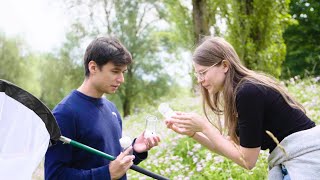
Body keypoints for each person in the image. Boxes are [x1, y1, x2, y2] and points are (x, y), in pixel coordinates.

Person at [166, 36, 320, 179]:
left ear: (225, 65)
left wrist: (205, 127)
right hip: (296, 158)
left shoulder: (248, 92)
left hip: (307, 160)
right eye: (197, 75)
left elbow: (247, 161)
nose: (200, 80)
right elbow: (232, 150)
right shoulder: (242, 91)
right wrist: (194, 133)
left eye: (203, 73)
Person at [45, 37, 160, 180]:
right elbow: (54, 176)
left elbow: (112, 162)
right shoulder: (65, 113)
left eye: (123, 72)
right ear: (93, 67)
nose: (121, 79)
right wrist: (107, 174)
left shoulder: (111, 109)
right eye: (115, 71)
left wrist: (134, 150)